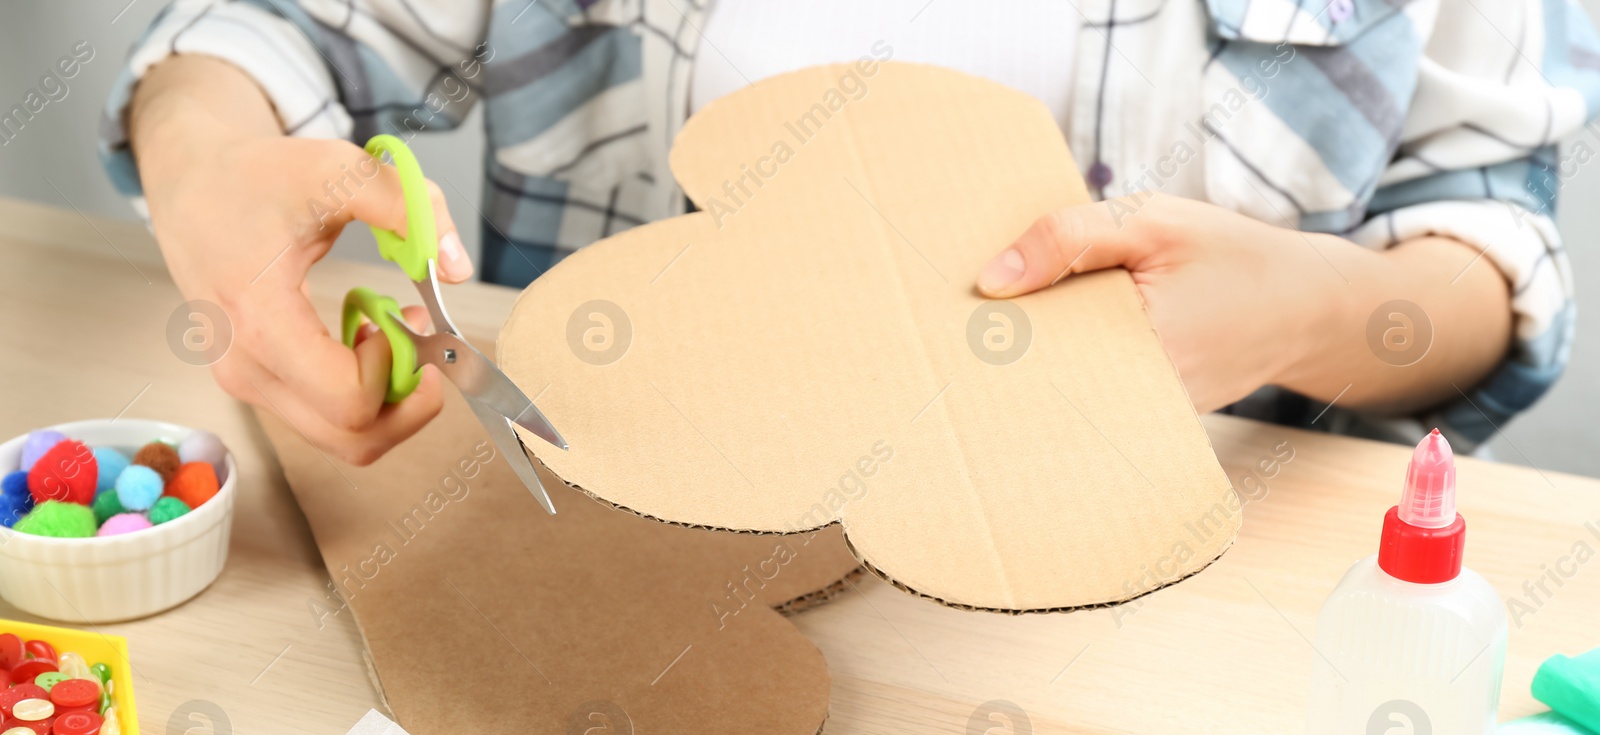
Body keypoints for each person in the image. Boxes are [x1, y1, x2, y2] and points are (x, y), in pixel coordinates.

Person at [104, 0, 1600, 465]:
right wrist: (207, 158)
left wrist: (1319, 311)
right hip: (618, 534)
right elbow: (281, 34)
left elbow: (1482, 233)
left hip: (1154, 616)